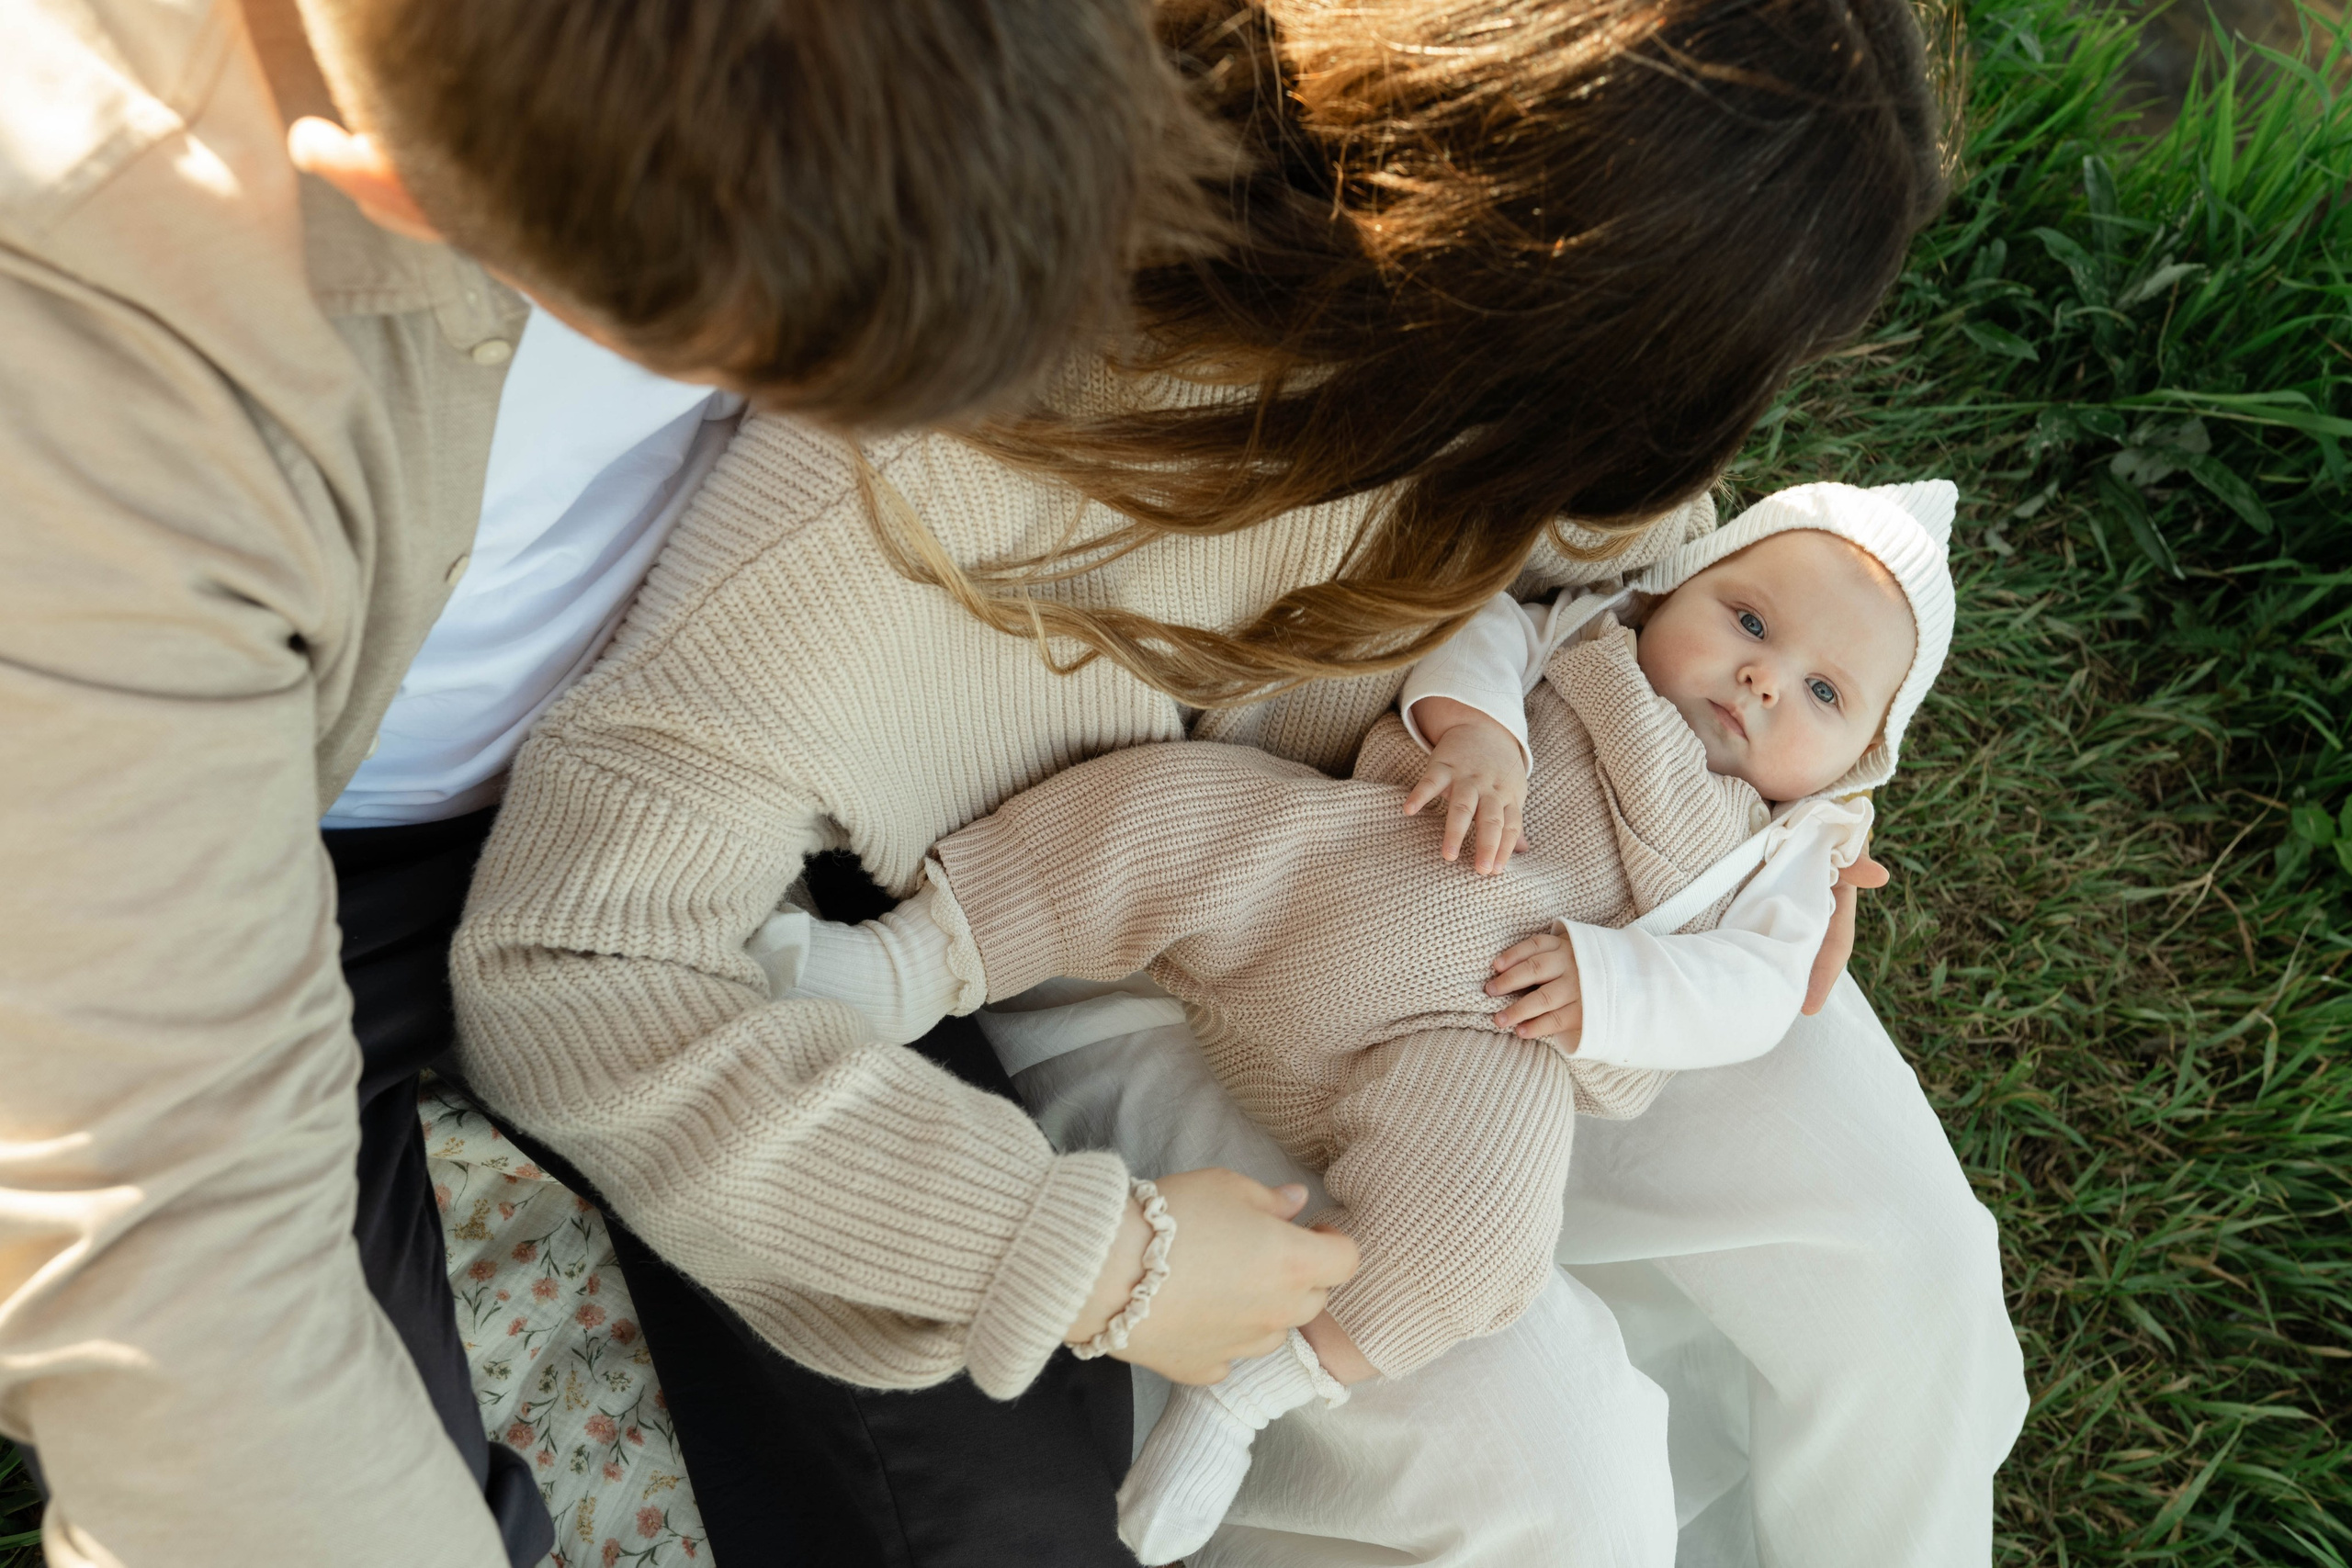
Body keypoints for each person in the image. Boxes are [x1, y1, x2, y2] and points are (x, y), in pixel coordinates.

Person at [451, 2, 2019, 1564]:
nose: (1665, 460)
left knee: (1909, 1268)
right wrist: (1072, 1252)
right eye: (1667, 388)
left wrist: (1780, 829)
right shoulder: (914, 483)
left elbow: (1656, 540)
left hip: (1542, 862)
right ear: (1524, 286)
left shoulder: (1520, 404)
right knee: (1555, 1473)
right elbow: (573, 965)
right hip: (1103, 919)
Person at [0, 0, 1351, 1563]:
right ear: (379, 181)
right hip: (274, 852)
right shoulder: (88, 335)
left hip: (680, 778)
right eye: (734, 360)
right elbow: (176, 1257)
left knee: (1008, 1526)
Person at [777, 479, 1951, 1561]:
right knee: (1163, 821)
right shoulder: (1597, 640)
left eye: (1822, 694)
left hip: (1490, 1029)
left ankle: (1255, 1390)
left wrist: (1614, 988)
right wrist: (1478, 728)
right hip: (1346, 852)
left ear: (1858, 767)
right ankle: (912, 961)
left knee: (1484, 1231)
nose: (1762, 681)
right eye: (1747, 624)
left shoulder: (1791, 852)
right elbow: (1488, 626)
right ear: (1671, 594)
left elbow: (1748, 993)